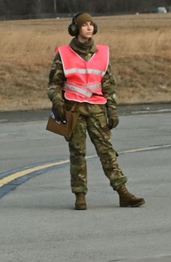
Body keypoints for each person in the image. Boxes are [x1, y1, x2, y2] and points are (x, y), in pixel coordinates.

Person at [48, 11, 145, 211]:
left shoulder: (102, 53)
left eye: (92, 24)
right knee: (77, 153)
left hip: (96, 109)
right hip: (73, 108)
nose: (89, 28)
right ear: (75, 29)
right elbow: (54, 84)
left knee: (107, 152)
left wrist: (113, 111)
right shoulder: (63, 54)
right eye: (84, 25)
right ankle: (80, 195)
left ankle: (122, 192)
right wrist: (57, 102)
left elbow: (109, 85)